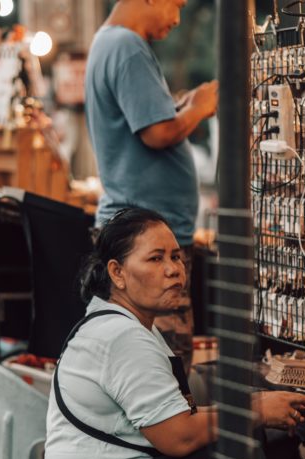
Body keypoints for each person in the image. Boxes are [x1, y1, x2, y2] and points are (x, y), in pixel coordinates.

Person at [38, 207, 305, 459]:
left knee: (251, 440)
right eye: (156, 259)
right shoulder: (121, 336)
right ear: (117, 272)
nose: (174, 270)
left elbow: (177, 417)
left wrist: (256, 408)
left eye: (177, 257)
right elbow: (177, 437)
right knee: (231, 458)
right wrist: (256, 409)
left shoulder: (131, 325)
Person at [86, 0, 219, 372]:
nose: (177, 19)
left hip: (144, 229)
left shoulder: (110, 42)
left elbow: (152, 120)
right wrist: (202, 107)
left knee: (148, 356)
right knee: (163, 364)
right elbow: (157, 133)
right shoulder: (126, 46)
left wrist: (182, 109)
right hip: (148, 237)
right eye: (175, 5)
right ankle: (170, 431)